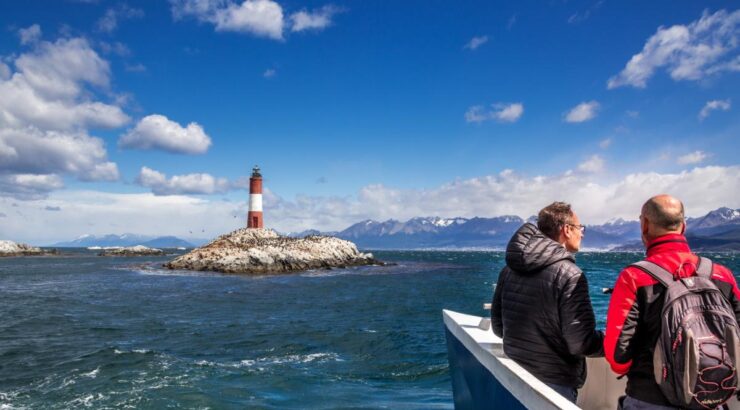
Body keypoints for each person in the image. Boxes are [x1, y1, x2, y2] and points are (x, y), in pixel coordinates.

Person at [604, 195, 740, 409]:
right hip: (712, 397)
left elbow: (618, 356)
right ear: (683, 226)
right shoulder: (723, 275)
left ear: (645, 225)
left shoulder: (634, 277)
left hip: (649, 398)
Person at [491, 201, 604, 403]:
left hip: (517, 377)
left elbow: (499, 328)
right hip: (555, 384)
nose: (583, 234)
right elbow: (580, 343)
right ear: (567, 230)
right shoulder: (570, 274)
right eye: (580, 228)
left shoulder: (508, 270)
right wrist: (615, 341)